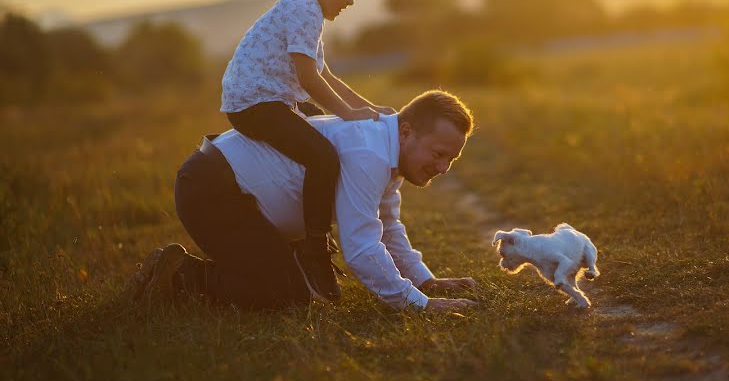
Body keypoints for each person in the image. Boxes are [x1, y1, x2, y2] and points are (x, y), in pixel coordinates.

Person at [125, 90, 479, 313]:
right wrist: (419, 304)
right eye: (438, 153)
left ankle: (268, 261)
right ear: (406, 132)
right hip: (212, 190)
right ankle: (178, 273)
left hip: (233, 192)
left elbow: (386, 226)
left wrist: (425, 281)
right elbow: (361, 248)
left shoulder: (386, 150)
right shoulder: (369, 151)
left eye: (451, 159)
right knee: (283, 295)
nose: (443, 167)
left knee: (292, 291)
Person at [220, 0, 394, 302]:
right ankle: (313, 249)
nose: (351, 1)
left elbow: (323, 73)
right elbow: (307, 77)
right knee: (323, 156)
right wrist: (348, 114)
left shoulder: (303, 7)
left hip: (272, 101)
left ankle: (313, 242)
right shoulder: (304, 9)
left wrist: (369, 109)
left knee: (335, 131)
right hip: (255, 105)